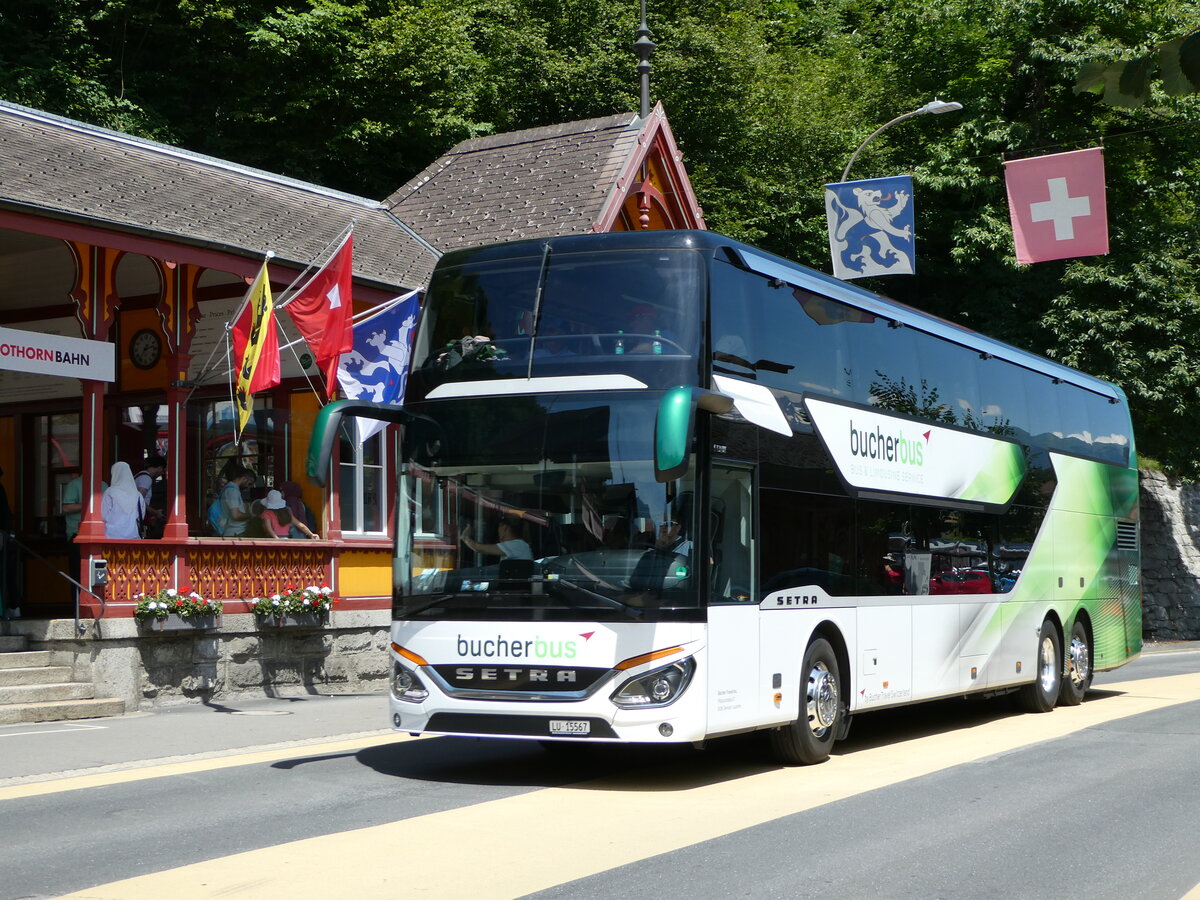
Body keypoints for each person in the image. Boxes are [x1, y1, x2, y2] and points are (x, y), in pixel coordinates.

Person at [62, 469, 107, 598]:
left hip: (101, 535)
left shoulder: (104, 485)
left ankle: (95, 604)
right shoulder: (75, 484)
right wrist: (90, 504)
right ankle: (77, 607)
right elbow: (66, 507)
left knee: (98, 575)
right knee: (78, 574)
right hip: (77, 535)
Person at [101, 461, 145, 539]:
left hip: (111, 536)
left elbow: (103, 515)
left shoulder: (110, 492)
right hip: (133, 536)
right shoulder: (138, 495)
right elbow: (140, 516)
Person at [461, 516, 532, 560]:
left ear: (504, 528)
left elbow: (479, 548)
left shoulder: (516, 545)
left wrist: (465, 538)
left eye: (499, 526)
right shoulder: (521, 545)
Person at [133, 454, 167, 539]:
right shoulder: (146, 478)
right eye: (162, 469)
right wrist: (155, 512)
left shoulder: (139, 476)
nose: (162, 472)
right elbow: (139, 500)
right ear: (159, 467)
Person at [217, 464, 255, 537]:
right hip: (236, 532)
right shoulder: (232, 491)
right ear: (244, 478)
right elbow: (236, 515)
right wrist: (251, 515)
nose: (248, 487)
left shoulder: (230, 489)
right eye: (249, 483)